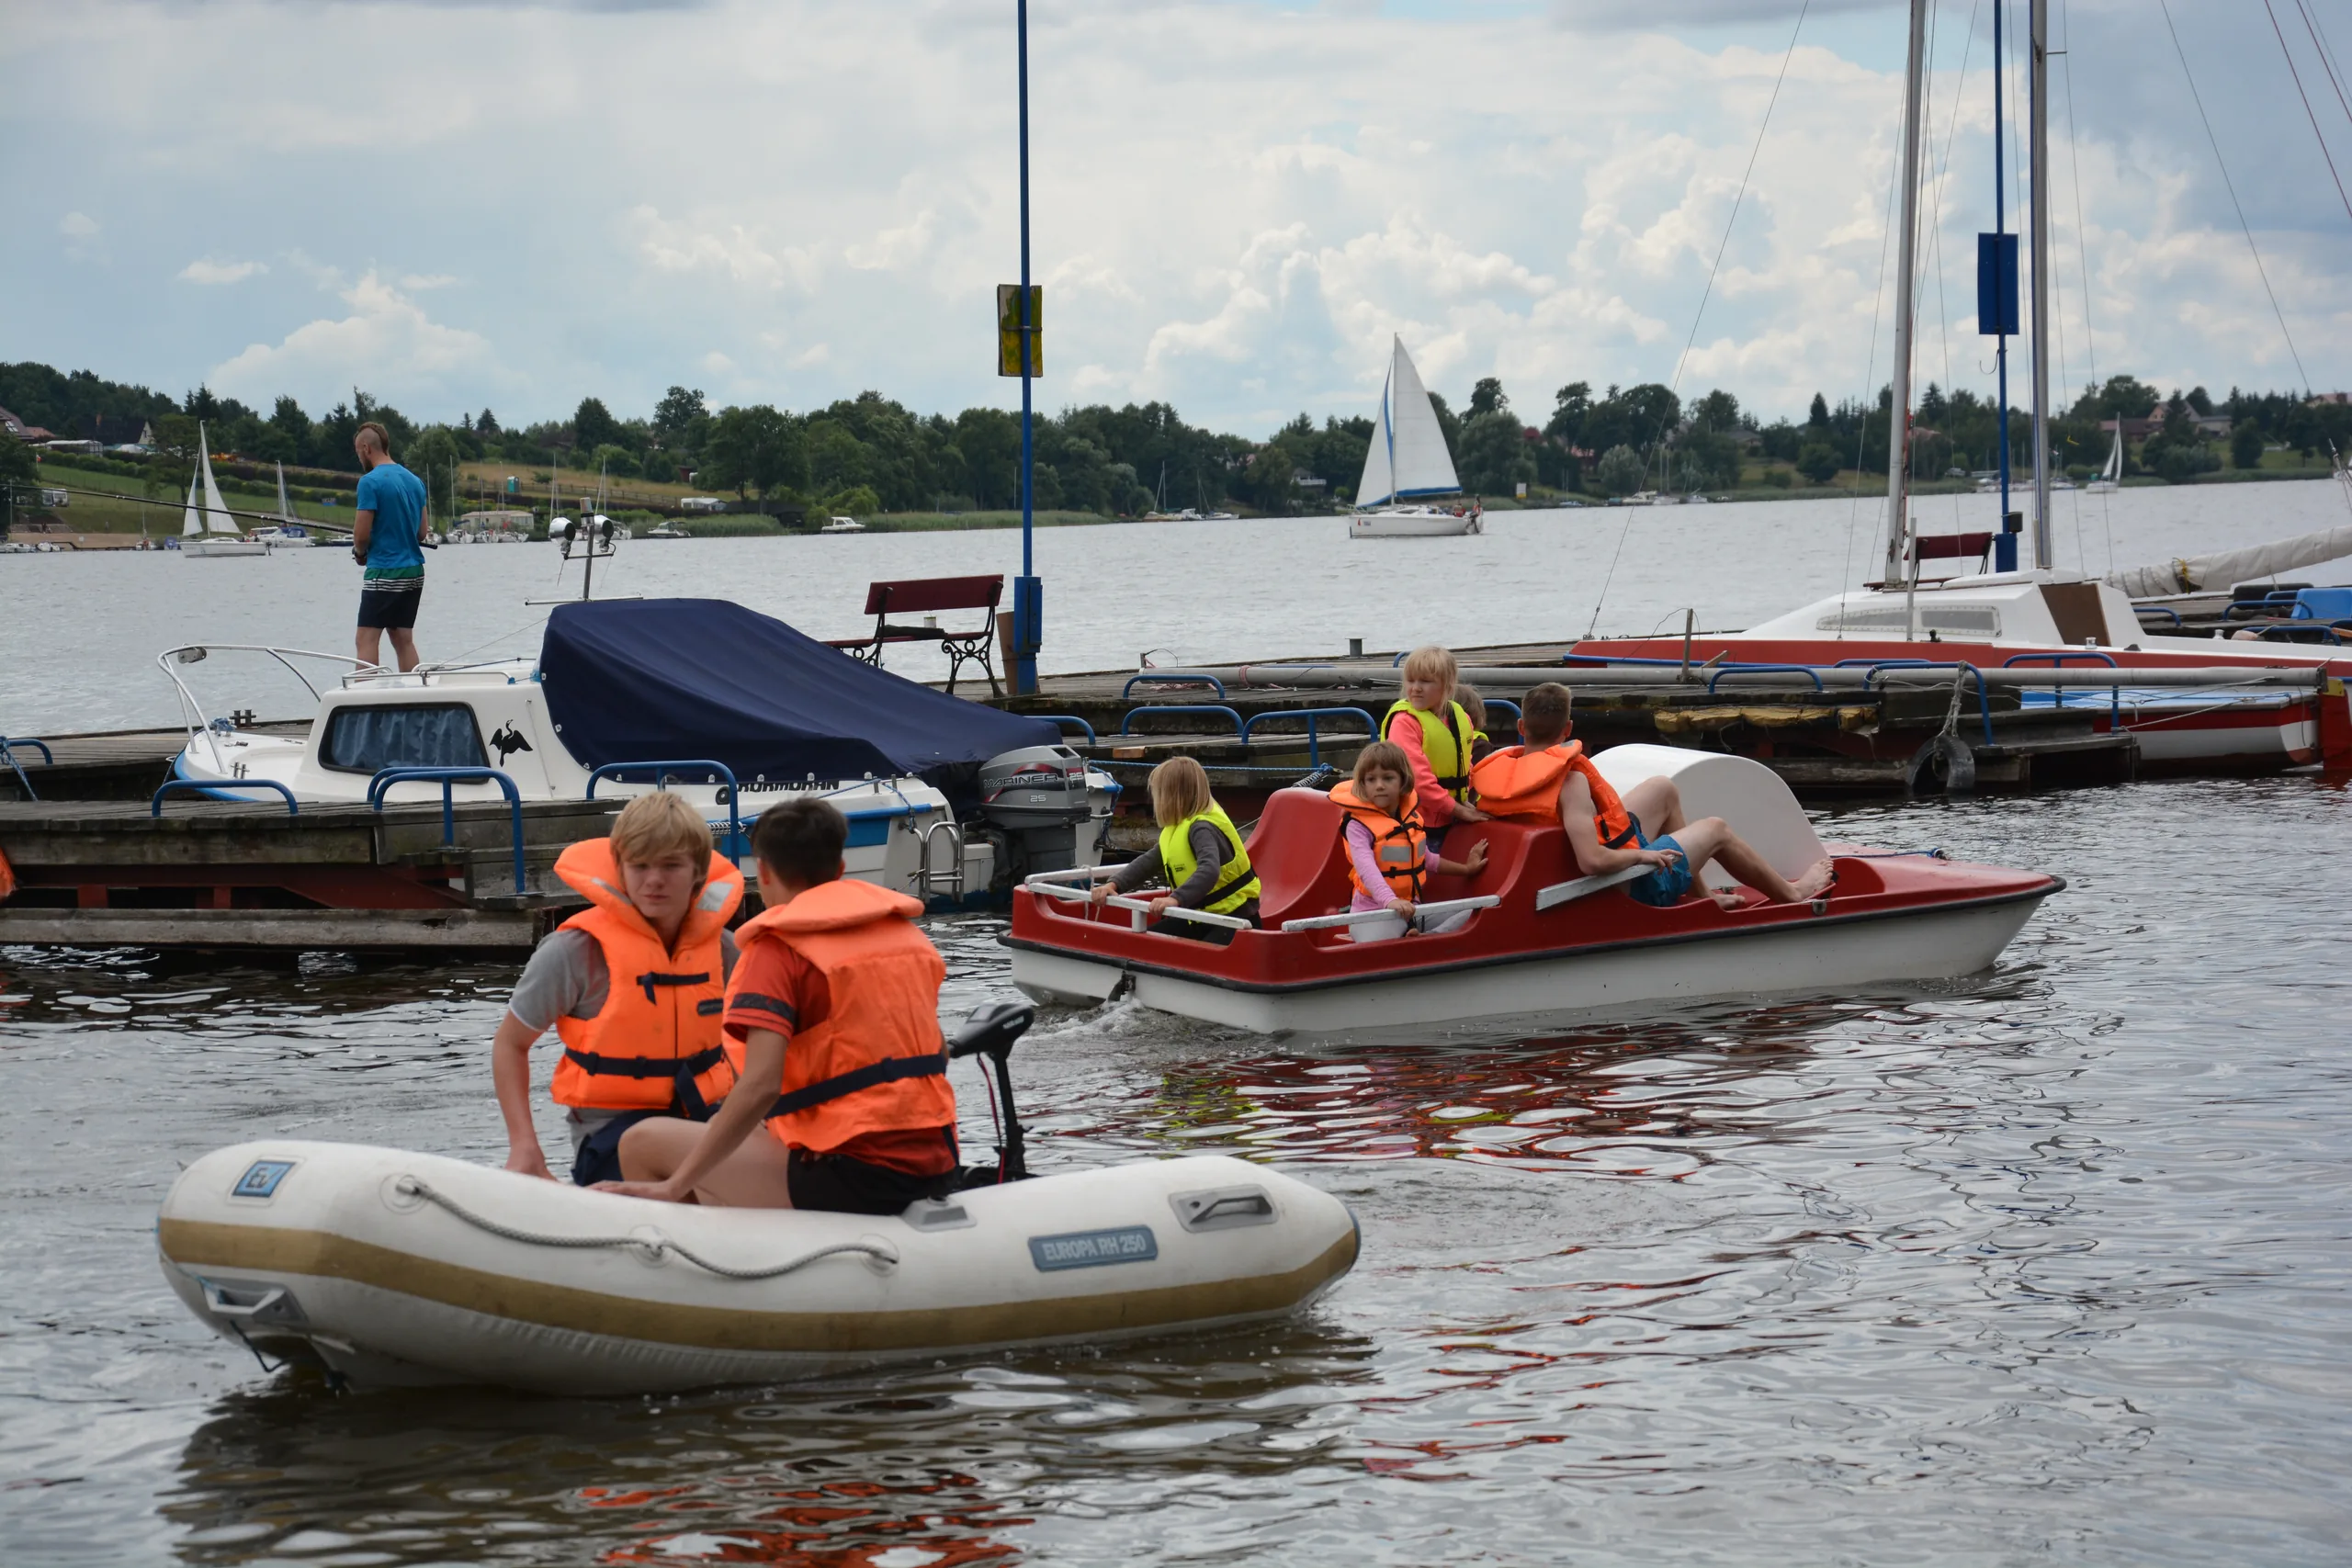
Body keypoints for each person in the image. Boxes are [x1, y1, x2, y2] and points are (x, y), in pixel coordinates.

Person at [598, 796, 961, 1213]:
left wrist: (677, 1183)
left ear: (764, 872)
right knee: (724, 1127)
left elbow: (762, 1085)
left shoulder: (780, 951)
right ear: (839, 870)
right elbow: (938, 1055)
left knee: (642, 1142)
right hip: (938, 1158)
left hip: (855, 1175)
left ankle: (703, 1261)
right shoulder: (905, 938)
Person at [492, 792, 745, 1185]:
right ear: (620, 869)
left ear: (699, 871)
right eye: (639, 866)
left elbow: (756, 1052)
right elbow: (511, 1044)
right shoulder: (573, 952)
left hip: (707, 1126)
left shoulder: (726, 951)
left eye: (671, 866)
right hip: (613, 1137)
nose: (654, 880)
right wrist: (524, 1145)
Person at [1468, 682, 1835, 910]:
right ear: (1568, 729)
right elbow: (1591, 862)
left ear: (1520, 727)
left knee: (1662, 788)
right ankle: (1794, 893)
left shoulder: (1498, 776)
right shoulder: (1569, 783)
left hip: (1563, 864)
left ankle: (1700, 898)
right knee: (1717, 829)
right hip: (1628, 885)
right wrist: (1645, 854)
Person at [1330, 739, 1488, 941]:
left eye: (1388, 778)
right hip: (1373, 914)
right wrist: (1390, 901)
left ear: (1402, 781)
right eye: (1371, 780)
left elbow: (1426, 859)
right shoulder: (1358, 825)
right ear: (1362, 783)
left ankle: (1422, 937)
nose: (1379, 786)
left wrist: (1467, 869)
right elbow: (1365, 868)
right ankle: (1388, 938)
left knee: (1473, 912)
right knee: (1381, 943)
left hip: (1412, 910)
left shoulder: (1410, 818)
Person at [1089, 756, 1261, 940]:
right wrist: (1113, 884)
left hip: (1234, 919)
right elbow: (1148, 862)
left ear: (1173, 797)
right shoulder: (1176, 829)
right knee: (1146, 943)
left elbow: (1209, 870)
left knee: (1196, 958)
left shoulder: (1201, 829)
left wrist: (1175, 898)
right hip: (1202, 916)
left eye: (1157, 794)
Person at [350, 421, 428, 671]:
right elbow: (422, 533)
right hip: (414, 572)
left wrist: (360, 553)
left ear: (365, 448)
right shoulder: (415, 482)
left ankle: (365, 703)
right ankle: (414, 696)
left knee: (366, 639)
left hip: (384, 571)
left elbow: (361, 536)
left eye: (357, 452)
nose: (359, 457)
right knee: (403, 640)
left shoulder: (369, 482)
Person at [1385, 645, 1487, 833]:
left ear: (1447, 685)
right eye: (1410, 681)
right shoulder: (1404, 723)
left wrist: (1463, 801)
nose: (1415, 688)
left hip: (1452, 815)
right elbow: (1418, 779)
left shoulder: (1460, 717)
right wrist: (1458, 810)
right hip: (1417, 821)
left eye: (1425, 681)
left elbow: (1465, 764)